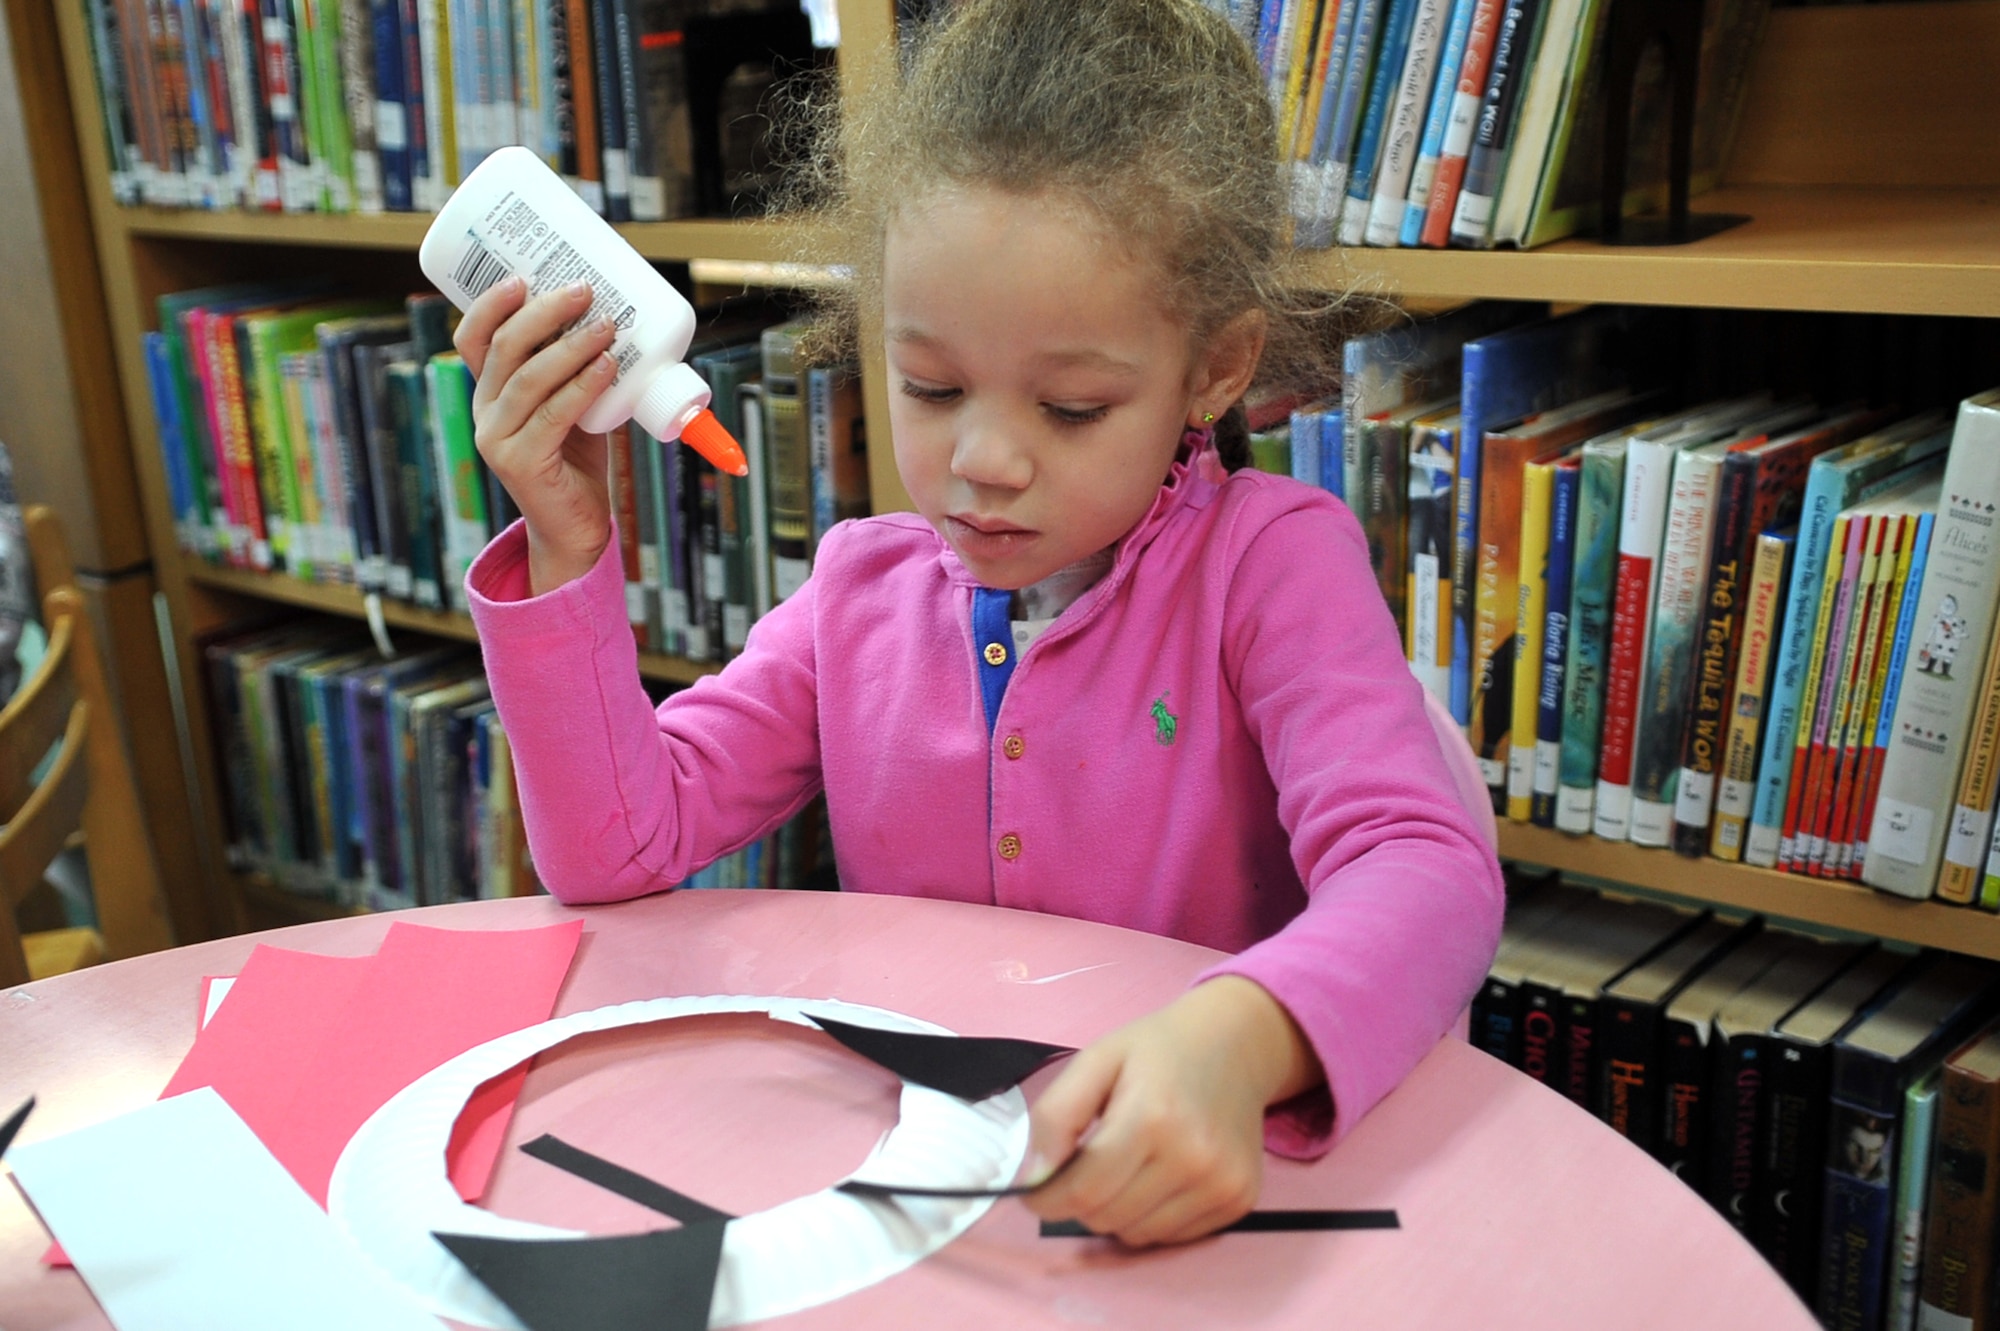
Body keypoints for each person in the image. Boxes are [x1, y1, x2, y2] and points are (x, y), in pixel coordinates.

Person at [457, 0, 1503, 1247]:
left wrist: (1240, 1036)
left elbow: (1426, 869)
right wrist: (569, 546)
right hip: (943, 1193)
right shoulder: (859, 592)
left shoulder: (1270, 567)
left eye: (1070, 406)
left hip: (1198, 1198)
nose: (984, 460)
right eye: (932, 387)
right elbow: (619, 847)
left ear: (1215, 368)